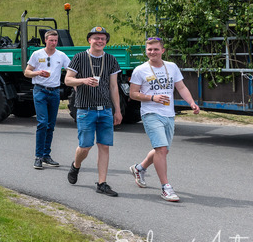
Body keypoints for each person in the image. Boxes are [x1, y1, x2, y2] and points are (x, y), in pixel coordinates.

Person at [128, 37, 200, 202]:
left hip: (169, 114)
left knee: (164, 150)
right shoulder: (140, 70)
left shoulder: (172, 67)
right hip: (150, 113)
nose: (152, 52)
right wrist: (152, 97)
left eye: (155, 49)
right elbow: (133, 94)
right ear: (146, 51)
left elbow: (181, 87)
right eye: (149, 50)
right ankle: (166, 188)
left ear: (162, 50)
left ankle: (139, 168)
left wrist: (191, 103)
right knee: (161, 149)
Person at [64, 26, 123, 197]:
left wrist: (117, 110)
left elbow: (113, 86)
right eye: (96, 38)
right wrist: (83, 80)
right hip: (85, 109)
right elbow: (68, 80)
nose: (99, 41)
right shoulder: (79, 57)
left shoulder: (111, 59)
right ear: (89, 40)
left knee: (104, 146)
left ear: (106, 41)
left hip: (105, 109)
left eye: (103, 38)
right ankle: (76, 165)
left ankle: (102, 183)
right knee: (85, 146)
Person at [24, 30, 70, 169]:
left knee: (51, 125)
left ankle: (46, 155)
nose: (53, 43)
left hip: (54, 92)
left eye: (55, 41)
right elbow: (26, 72)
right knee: (42, 123)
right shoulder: (37, 54)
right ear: (45, 40)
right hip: (40, 91)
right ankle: (38, 157)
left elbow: (71, 69)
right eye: (51, 40)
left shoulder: (61, 55)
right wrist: (37, 72)